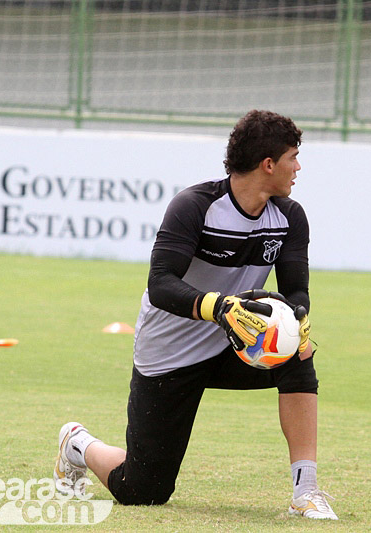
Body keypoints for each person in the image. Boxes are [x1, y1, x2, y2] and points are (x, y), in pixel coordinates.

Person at [53, 109, 338, 519]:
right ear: (268, 164)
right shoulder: (195, 206)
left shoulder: (290, 217)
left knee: (298, 353)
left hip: (233, 344)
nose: (298, 167)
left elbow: (296, 290)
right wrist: (220, 308)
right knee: (143, 491)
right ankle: (77, 444)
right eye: (293, 157)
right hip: (170, 353)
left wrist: (300, 318)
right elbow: (161, 284)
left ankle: (305, 492)